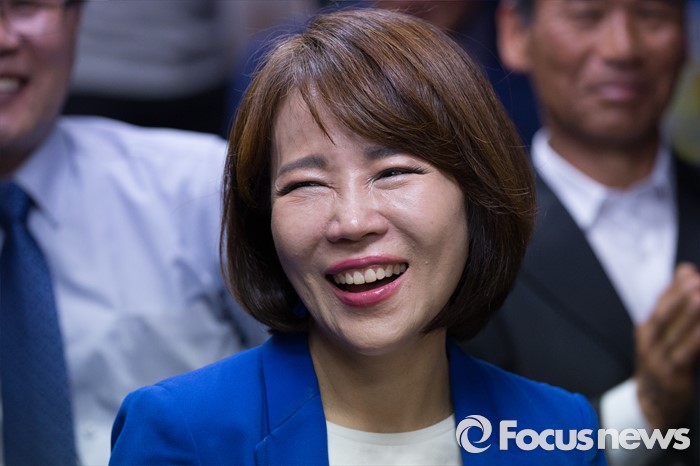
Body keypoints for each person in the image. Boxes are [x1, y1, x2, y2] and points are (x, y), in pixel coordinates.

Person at [110, 8, 607, 465]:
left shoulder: (562, 430)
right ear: (264, 222)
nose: (351, 222)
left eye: (392, 172)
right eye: (305, 184)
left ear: (477, 195)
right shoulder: (182, 432)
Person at [0, 1, 266, 464]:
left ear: (76, 18)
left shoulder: (199, 189)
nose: (3, 38)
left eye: (25, 5)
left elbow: (310, 393)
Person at [466, 1, 700, 465]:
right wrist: (643, 411)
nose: (622, 48)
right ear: (516, 33)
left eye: (652, 15)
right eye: (586, 16)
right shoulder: (473, 242)